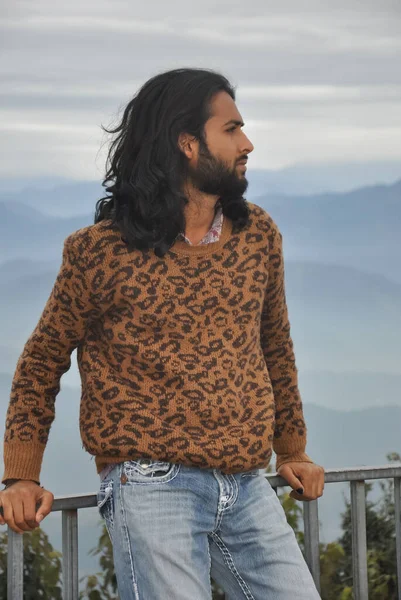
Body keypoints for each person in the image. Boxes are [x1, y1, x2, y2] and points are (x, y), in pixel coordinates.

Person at [0, 67, 324, 599]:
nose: (248, 143)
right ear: (188, 144)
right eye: (232, 129)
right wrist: (21, 476)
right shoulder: (99, 252)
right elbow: (41, 362)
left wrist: (292, 449)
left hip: (246, 484)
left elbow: (275, 346)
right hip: (151, 487)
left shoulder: (257, 234)